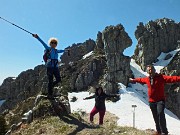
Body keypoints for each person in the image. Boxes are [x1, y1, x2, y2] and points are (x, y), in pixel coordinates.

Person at [129, 65, 180, 135]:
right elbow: (140, 80)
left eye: (151, 69)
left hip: (160, 100)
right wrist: (133, 80)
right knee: (155, 117)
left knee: (160, 114)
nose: (150, 71)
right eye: (149, 70)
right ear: (147, 72)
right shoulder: (147, 79)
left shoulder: (161, 77)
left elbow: (172, 78)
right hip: (151, 101)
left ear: (154, 70)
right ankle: (158, 131)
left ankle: (164, 132)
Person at [32, 34, 66, 99]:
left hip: (55, 67)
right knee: (50, 80)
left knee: (58, 79)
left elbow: (61, 50)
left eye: (55, 43)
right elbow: (42, 43)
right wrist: (37, 37)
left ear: (56, 44)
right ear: (50, 43)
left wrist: (66, 50)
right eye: (52, 42)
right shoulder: (48, 48)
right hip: (49, 67)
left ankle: (50, 87)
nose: (53, 44)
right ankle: (50, 94)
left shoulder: (56, 51)